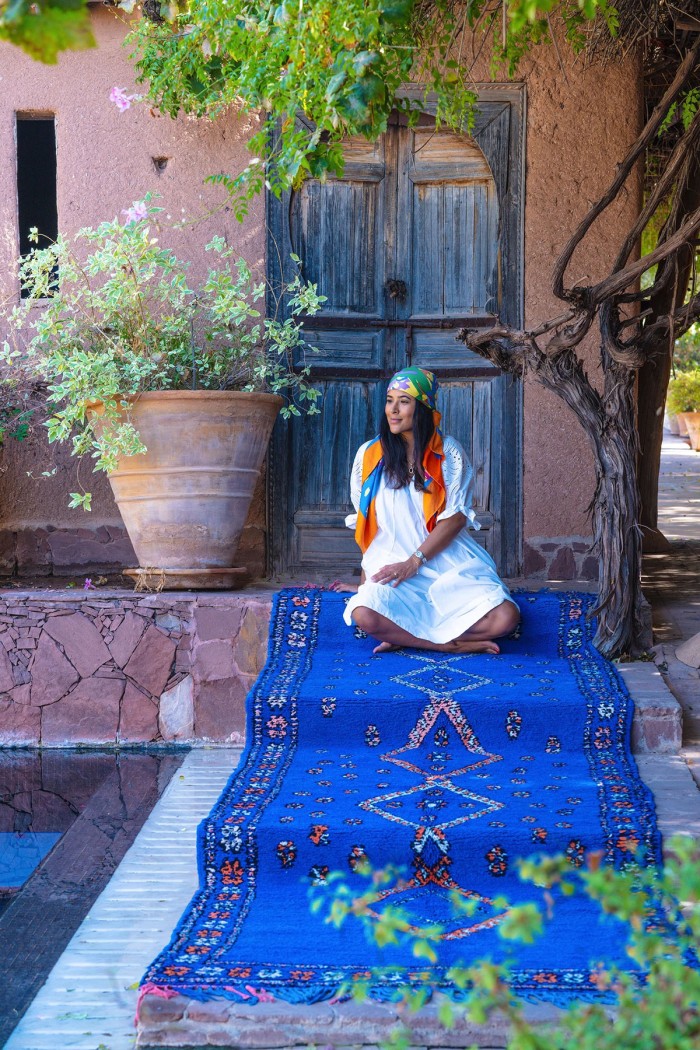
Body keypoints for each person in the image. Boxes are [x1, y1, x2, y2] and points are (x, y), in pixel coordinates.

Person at [332, 366, 520, 655]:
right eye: (389, 400)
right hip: (395, 570)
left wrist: (414, 562)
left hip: (447, 565)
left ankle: (406, 635)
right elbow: (367, 526)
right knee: (364, 614)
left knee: (506, 617)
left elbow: (456, 518)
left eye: (404, 402)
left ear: (422, 408)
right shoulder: (368, 455)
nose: (393, 410)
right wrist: (366, 582)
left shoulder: (448, 453)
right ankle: (448, 645)